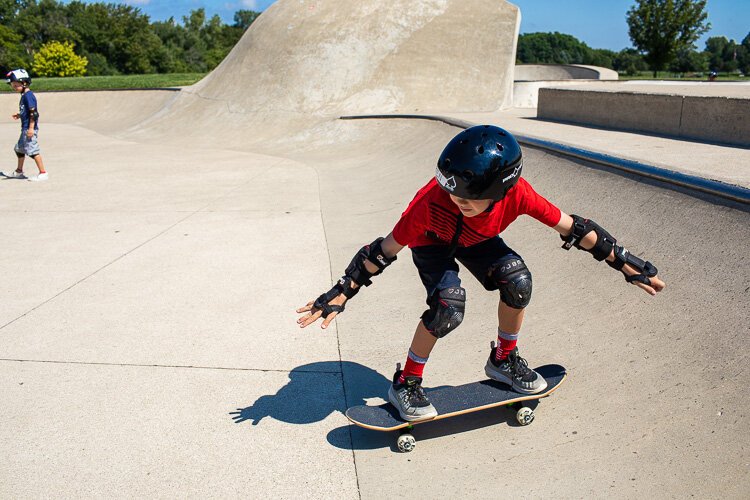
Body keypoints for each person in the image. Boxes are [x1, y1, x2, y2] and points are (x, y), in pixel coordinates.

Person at [296, 125, 665, 421]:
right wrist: (342, 291)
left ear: (501, 192)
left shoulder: (520, 195)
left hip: (477, 240)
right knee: (448, 307)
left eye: (468, 200)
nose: (457, 203)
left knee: (518, 282)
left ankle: (504, 359)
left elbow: (574, 228)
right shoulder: (430, 204)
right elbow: (383, 251)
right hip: (431, 244)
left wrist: (623, 263)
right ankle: (406, 381)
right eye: (454, 197)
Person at [2, 69, 48, 181]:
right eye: (12, 85)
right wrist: (20, 115)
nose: (14, 87)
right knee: (19, 149)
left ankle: (43, 173)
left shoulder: (28, 96)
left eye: (16, 85)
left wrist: (31, 128)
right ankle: (19, 172)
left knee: (33, 151)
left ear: (24, 83)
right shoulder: (24, 95)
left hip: (29, 129)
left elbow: (34, 113)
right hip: (25, 128)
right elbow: (27, 112)